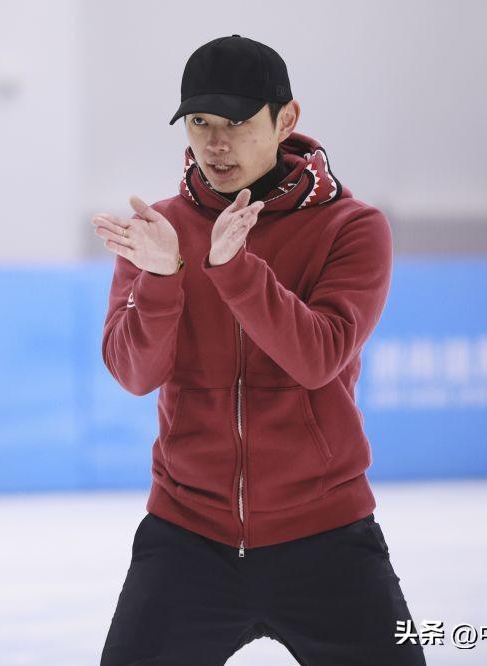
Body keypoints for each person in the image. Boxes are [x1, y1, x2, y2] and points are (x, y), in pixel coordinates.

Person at [90, 35, 426, 665]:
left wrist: (236, 270)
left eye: (238, 123)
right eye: (200, 123)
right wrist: (161, 280)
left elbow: (318, 358)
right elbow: (135, 374)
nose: (216, 144)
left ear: (286, 120)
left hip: (328, 538)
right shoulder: (158, 234)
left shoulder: (351, 227)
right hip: (187, 539)